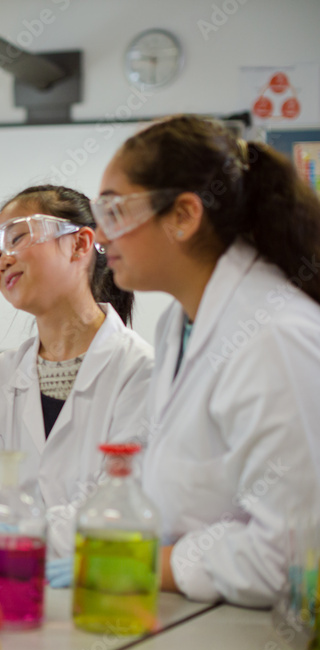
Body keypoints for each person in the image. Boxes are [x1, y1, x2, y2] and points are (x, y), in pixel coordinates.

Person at [93, 114, 320, 607]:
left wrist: (150, 563)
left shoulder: (274, 336)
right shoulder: (178, 326)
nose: (100, 236)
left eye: (113, 211)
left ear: (183, 215)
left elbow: (291, 555)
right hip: (195, 612)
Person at [0, 185, 154, 564]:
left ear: (80, 245)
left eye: (16, 238)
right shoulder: (4, 373)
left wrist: (17, 530)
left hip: (97, 579)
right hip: (7, 577)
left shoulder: (138, 368)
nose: (3, 259)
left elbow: (121, 504)